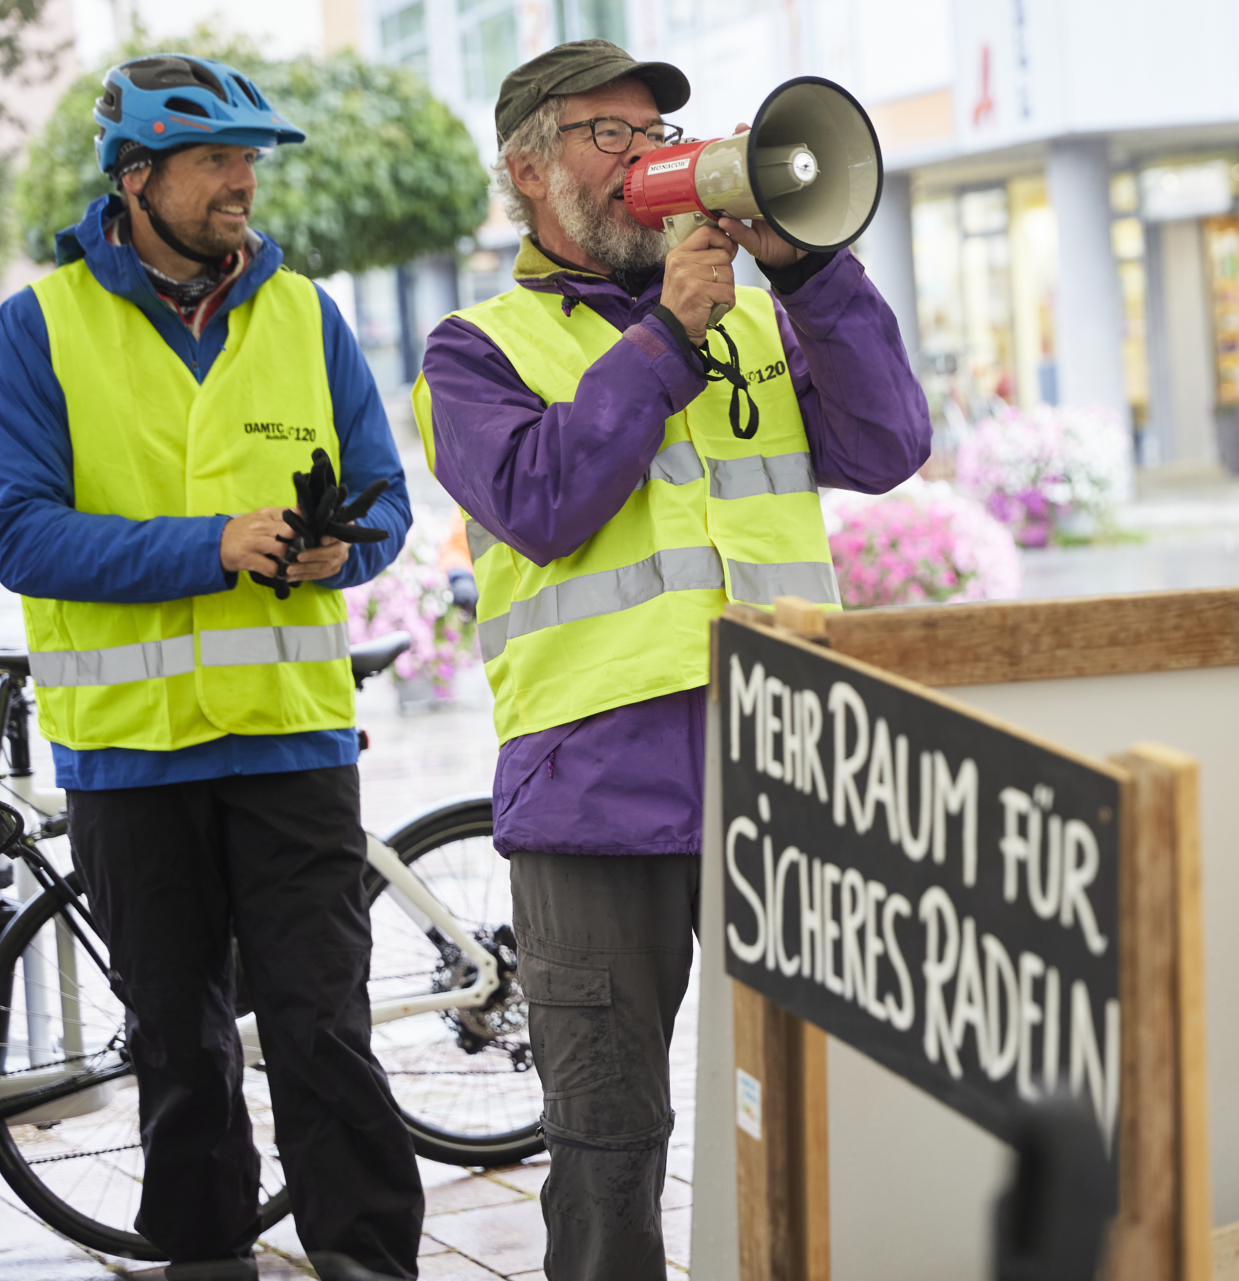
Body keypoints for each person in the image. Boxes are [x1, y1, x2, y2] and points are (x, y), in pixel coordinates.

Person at [413, 38, 931, 1281]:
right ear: (531, 173)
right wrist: (666, 335)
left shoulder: (754, 314)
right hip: (597, 794)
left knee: (826, 1113)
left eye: (655, 131)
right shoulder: (473, 351)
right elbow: (541, 500)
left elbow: (889, 442)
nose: (646, 154)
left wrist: (806, 274)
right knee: (608, 1143)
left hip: (787, 763)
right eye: (610, 133)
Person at [0, 54, 422, 1281]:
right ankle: (206, 1262)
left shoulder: (307, 313)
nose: (245, 182)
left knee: (325, 1031)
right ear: (136, 179)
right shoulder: (38, 328)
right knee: (178, 1044)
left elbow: (386, 500)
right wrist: (211, 546)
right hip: (130, 755)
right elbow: (18, 533)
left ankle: (368, 1265)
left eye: (250, 160)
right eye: (218, 159)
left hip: (291, 741)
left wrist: (343, 547)